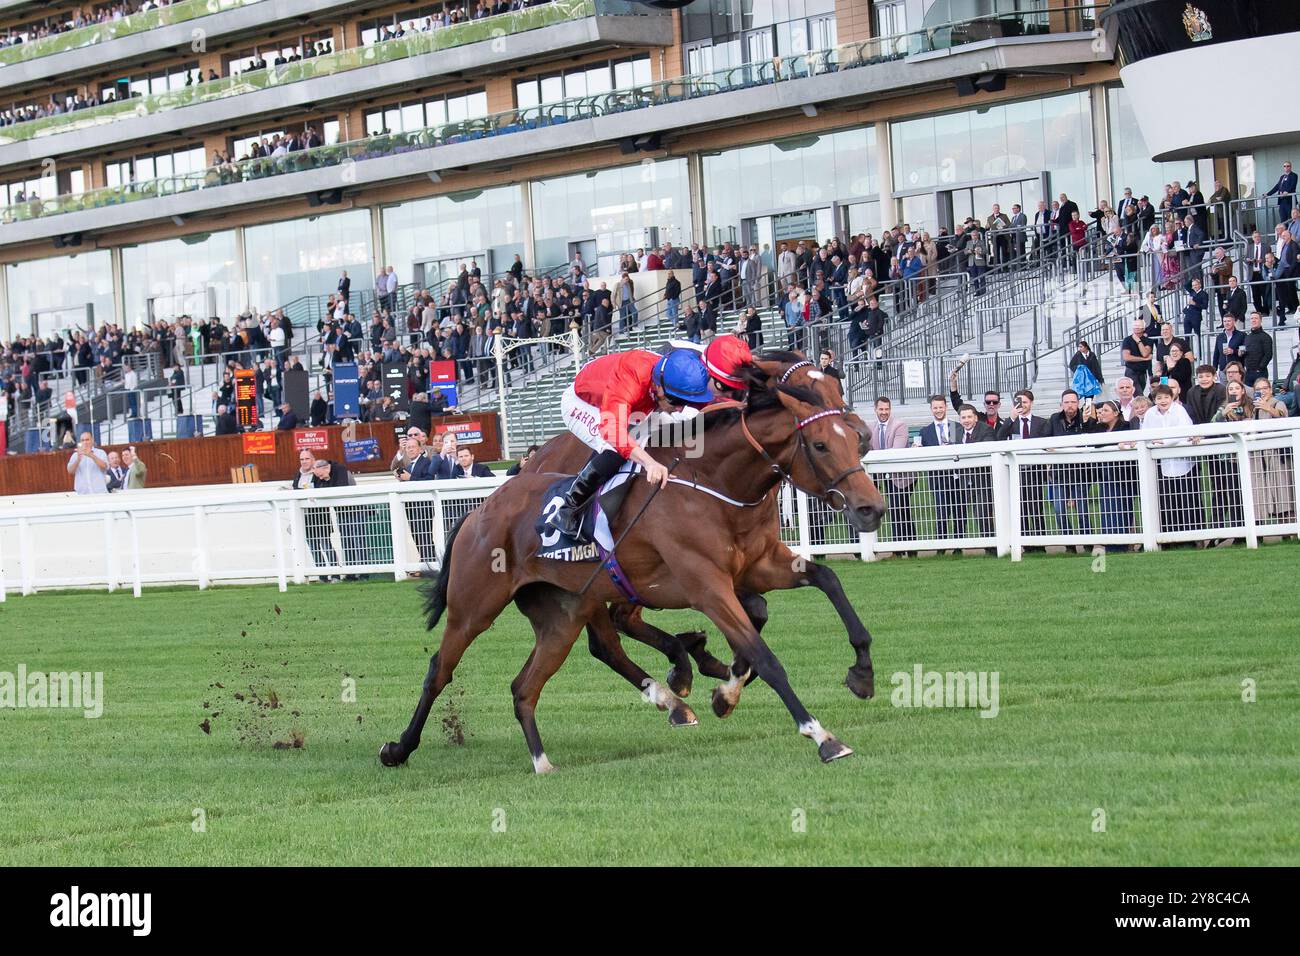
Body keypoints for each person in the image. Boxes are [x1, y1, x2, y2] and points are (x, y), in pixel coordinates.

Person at [546, 347, 713, 537]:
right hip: (583, 401)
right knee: (616, 448)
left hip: (635, 402)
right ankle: (568, 509)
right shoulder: (631, 377)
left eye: (684, 401)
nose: (679, 408)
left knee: (689, 421)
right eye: (675, 401)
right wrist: (649, 463)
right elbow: (612, 431)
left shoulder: (673, 377)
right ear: (659, 386)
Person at [1141, 384, 1199, 536]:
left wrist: (1163, 442)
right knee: (1167, 501)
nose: (1163, 401)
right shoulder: (1150, 414)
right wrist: (1157, 442)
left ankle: (1193, 535)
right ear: (1154, 400)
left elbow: (1184, 433)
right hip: (1161, 464)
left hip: (1184, 463)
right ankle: (1170, 535)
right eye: (1159, 398)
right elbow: (1145, 435)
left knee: (1188, 500)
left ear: (1172, 397)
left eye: (1166, 397)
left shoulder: (1180, 410)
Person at [865, 396, 914, 546]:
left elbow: (895, 452)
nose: (884, 412)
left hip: (902, 476)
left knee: (898, 508)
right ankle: (908, 546)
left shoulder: (900, 425)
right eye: (881, 409)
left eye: (887, 409)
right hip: (882, 476)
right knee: (899, 510)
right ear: (875, 410)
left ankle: (902, 547)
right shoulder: (870, 427)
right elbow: (867, 451)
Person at [1248, 378, 1294, 522]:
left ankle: (1289, 527)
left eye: (1265, 388)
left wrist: (1267, 407)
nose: (1262, 392)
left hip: (1277, 453)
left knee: (1282, 489)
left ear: (1270, 389)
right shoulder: (1254, 408)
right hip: (1261, 454)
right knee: (1265, 490)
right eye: (1258, 390)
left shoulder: (1277, 403)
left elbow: (1283, 417)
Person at [918, 394, 959, 542]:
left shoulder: (955, 427)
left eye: (941, 407)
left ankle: (958, 545)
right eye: (935, 407)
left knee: (958, 512)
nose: (938, 410)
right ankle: (941, 544)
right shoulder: (925, 431)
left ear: (946, 407)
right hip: (937, 478)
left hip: (956, 477)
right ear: (931, 409)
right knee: (941, 512)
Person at [1240, 311, 1274, 385]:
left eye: (1256, 318)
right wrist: (1241, 353)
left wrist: (1260, 368)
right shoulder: (1247, 337)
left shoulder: (1266, 337)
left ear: (1260, 320)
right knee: (1249, 395)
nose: (1253, 320)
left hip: (1260, 373)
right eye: (1252, 318)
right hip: (1248, 372)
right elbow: (1245, 353)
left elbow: (1268, 355)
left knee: (1259, 395)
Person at [1121, 319, 1153, 393]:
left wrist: (1138, 341)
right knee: (1138, 394)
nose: (1137, 327)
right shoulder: (1127, 340)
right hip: (1131, 371)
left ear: (1143, 328)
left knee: (1140, 392)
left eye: (1139, 326)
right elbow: (1126, 357)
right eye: (1135, 326)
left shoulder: (1148, 341)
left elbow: (1145, 353)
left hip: (1143, 372)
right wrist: (1144, 359)